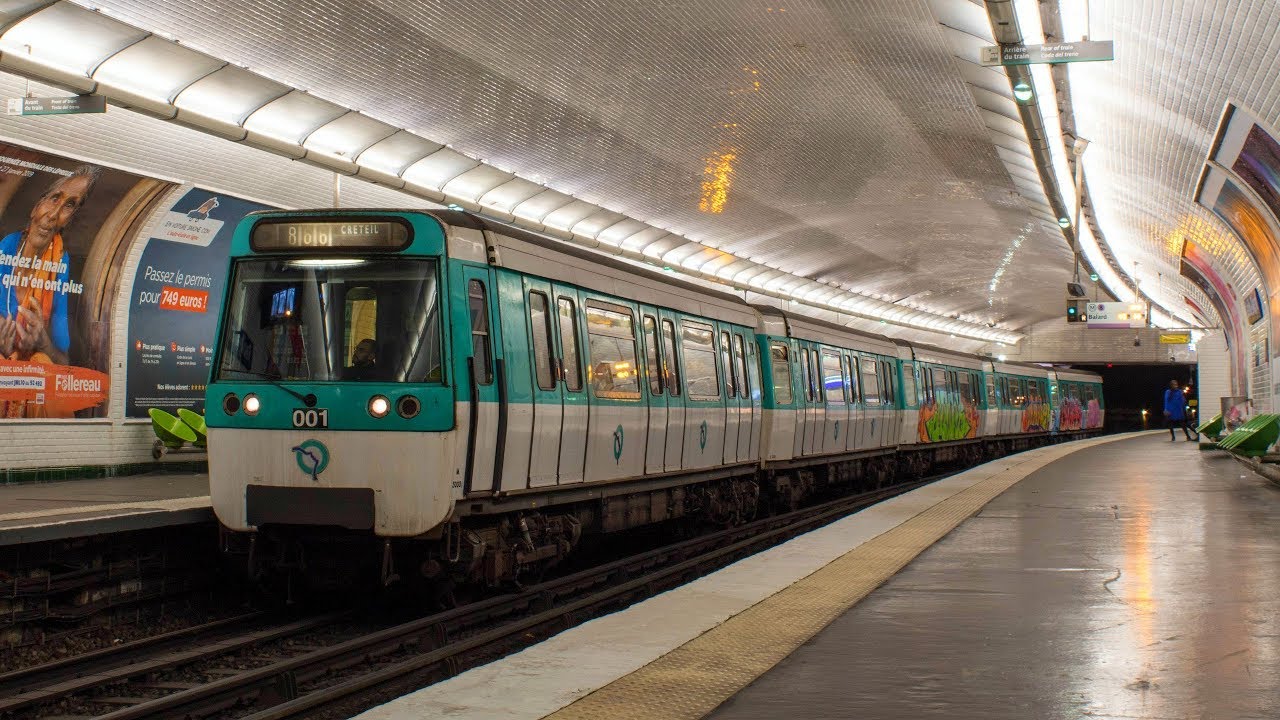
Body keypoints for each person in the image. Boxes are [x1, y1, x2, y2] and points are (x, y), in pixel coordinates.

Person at [0, 166, 99, 418]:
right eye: (54, 198)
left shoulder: (59, 265)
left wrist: (41, 341)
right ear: (36, 206)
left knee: (42, 364)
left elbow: (63, 363)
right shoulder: (5, 250)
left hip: (29, 392)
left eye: (69, 205)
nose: (54, 215)